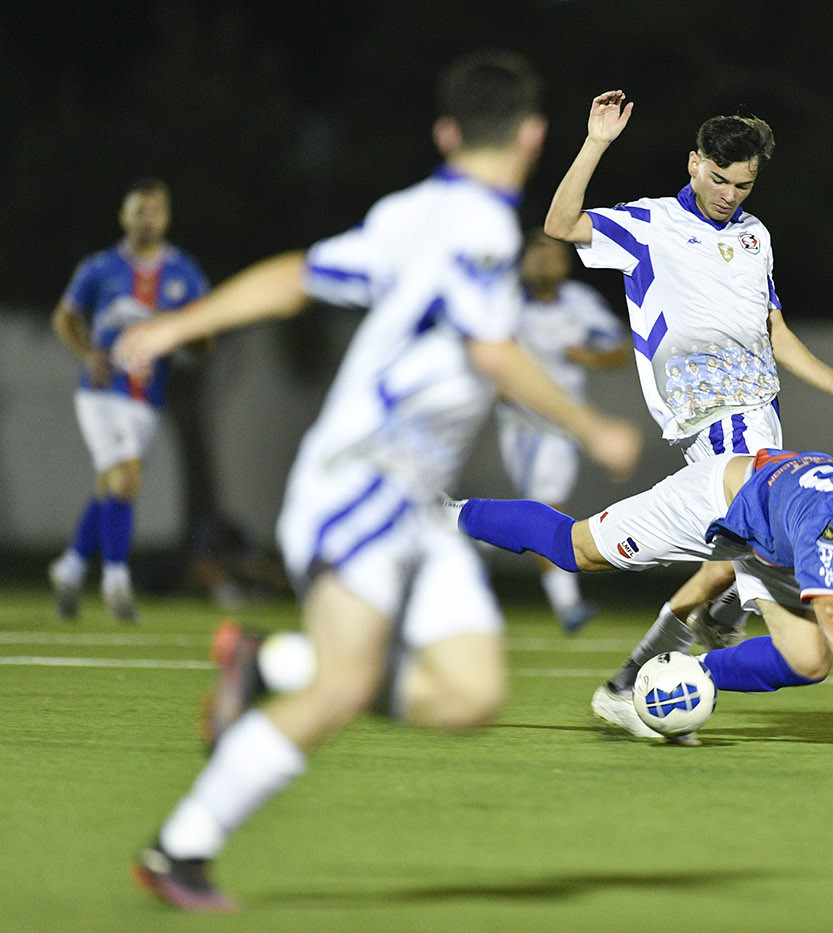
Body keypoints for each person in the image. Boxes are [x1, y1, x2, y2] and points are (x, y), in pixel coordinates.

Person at [114, 51, 641, 912]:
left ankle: (270, 660)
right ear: (536, 134)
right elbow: (489, 350)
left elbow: (295, 275)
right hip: (361, 480)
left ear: (444, 133)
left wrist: (178, 325)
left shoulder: (410, 211)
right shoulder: (475, 227)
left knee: (471, 692)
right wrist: (590, 425)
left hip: (413, 504)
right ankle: (181, 848)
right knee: (344, 686)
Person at [543, 90, 833, 736]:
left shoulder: (755, 236)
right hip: (720, 427)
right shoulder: (650, 226)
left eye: (746, 183)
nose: (732, 194)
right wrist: (596, 143)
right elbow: (561, 225)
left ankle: (645, 672)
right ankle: (664, 663)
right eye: (721, 178)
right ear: (694, 163)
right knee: (773, 579)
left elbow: (773, 330)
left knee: (730, 562)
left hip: (762, 418)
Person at [451, 449, 833, 736]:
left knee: (809, 662)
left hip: (769, 543)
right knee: (575, 550)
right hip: (717, 505)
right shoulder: (825, 524)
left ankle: (690, 678)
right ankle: (449, 514)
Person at [48, 178, 209, 621]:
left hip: (146, 399)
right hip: (100, 394)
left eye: (154, 211)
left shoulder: (184, 273)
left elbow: (204, 336)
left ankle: (70, 567)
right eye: (138, 210)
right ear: (123, 216)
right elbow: (64, 318)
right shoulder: (100, 268)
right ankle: (116, 582)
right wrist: (88, 353)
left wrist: (194, 338)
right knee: (126, 479)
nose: (146, 219)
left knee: (111, 487)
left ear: (167, 217)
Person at [496, 230, 631, 633]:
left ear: (565, 262)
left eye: (550, 255)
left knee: (546, 504)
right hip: (520, 425)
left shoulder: (579, 303)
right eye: (534, 255)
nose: (542, 263)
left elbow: (620, 349)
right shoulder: (504, 303)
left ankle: (566, 602)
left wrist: (589, 356)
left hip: (564, 425)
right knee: (544, 505)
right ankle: (563, 598)